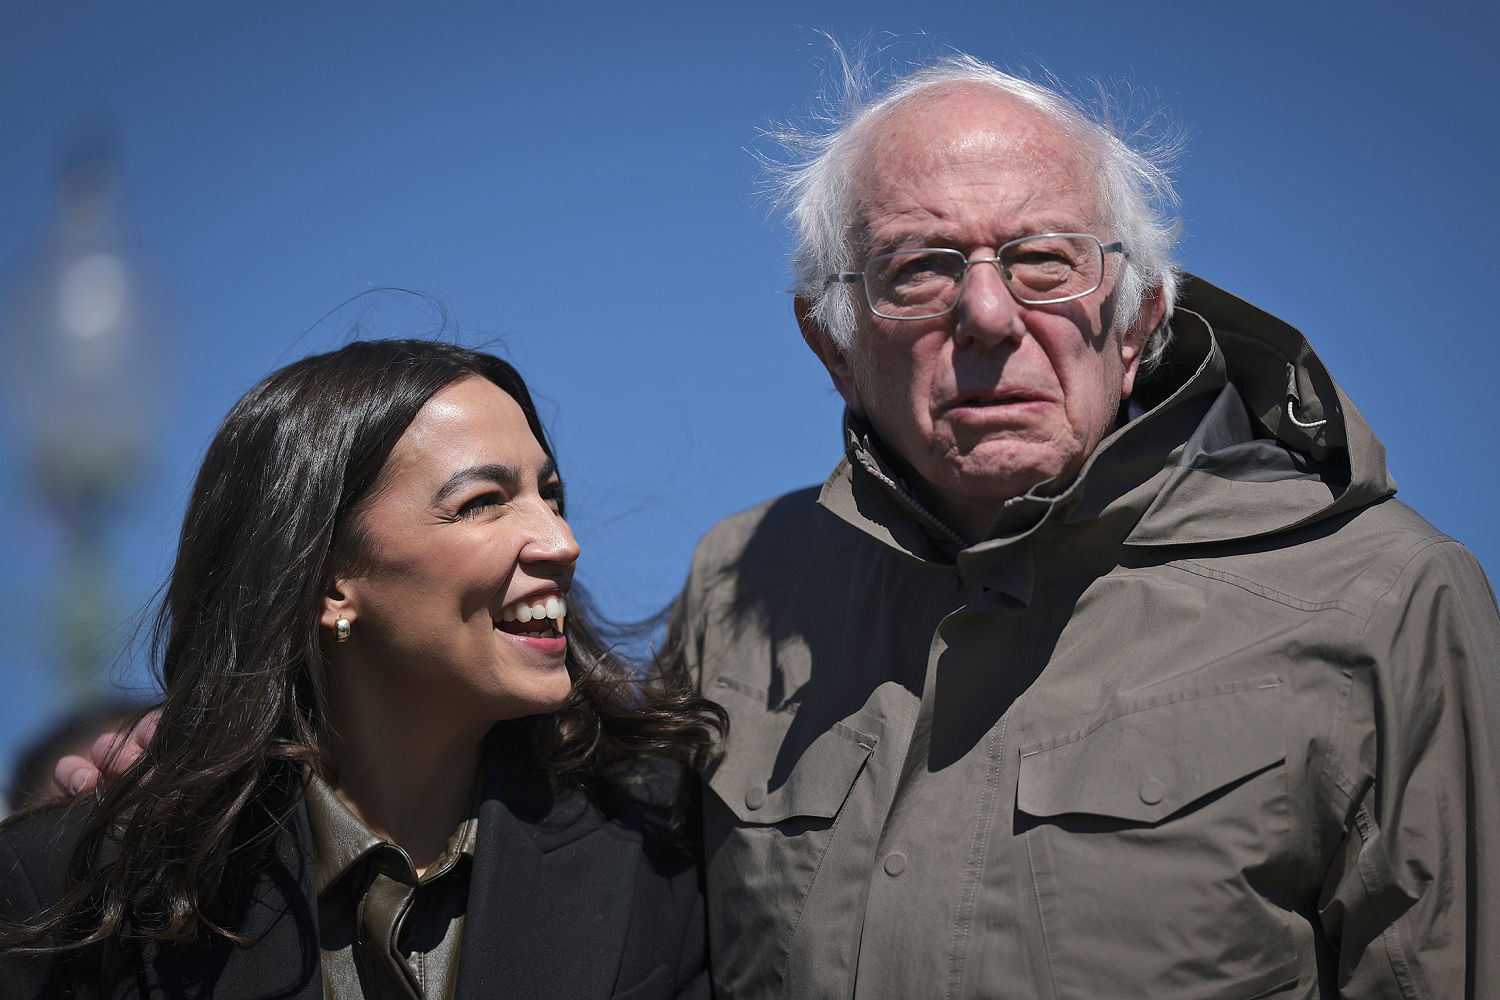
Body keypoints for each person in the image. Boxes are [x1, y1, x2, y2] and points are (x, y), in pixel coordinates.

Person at [673, 55, 1500, 998]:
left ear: (1140, 319)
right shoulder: (739, 587)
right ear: (834, 346)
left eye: (1044, 262)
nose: (988, 314)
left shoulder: (1384, 601)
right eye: (918, 271)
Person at [0, 339, 722, 999]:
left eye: (551, 495)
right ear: (327, 580)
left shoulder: (655, 848)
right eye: (483, 502)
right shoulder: (78, 893)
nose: (560, 541)